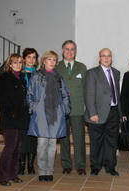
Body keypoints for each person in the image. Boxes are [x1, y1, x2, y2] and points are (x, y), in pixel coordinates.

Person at [27, 50, 71, 182]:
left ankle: (49, 171)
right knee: (41, 144)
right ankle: (42, 171)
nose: (52, 62)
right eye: (49, 59)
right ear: (44, 61)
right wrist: (34, 108)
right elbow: (29, 95)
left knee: (52, 145)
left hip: (55, 115)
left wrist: (64, 109)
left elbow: (66, 95)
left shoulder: (59, 78)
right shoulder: (36, 76)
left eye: (54, 60)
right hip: (40, 115)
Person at [84, 48, 121, 176]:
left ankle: (110, 166)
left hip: (114, 112)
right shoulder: (92, 73)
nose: (106, 58)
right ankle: (96, 166)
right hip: (97, 113)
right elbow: (89, 95)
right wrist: (92, 113)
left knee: (112, 141)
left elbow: (117, 93)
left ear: (111, 57)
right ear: (99, 58)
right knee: (96, 141)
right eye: (103, 56)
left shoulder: (116, 72)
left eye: (109, 56)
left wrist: (120, 113)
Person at [0, 54, 30, 186]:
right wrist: (11, 113)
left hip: (21, 118)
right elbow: (2, 100)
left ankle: (13, 174)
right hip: (10, 119)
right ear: (9, 64)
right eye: (15, 62)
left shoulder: (22, 78)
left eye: (20, 63)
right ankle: (2, 176)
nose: (18, 65)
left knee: (17, 148)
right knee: (9, 148)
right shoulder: (5, 77)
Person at [58, 40, 87, 175]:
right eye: (67, 49)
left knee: (79, 138)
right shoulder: (57, 67)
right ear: (63, 51)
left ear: (75, 51)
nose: (70, 52)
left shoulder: (82, 67)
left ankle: (80, 165)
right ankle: (66, 164)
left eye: (72, 49)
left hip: (77, 108)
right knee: (63, 138)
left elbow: (86, 88)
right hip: (61, 109)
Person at [18, 48, 39, 175]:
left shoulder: (39, 74)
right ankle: (21, 165)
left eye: (34, 57)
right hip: (22, 110)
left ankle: (30, 165)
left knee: (33, 138)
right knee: (22, 138)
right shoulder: (18, 73)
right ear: (24, 58)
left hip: (35, 111)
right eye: (29, 57)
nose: (31, 59)